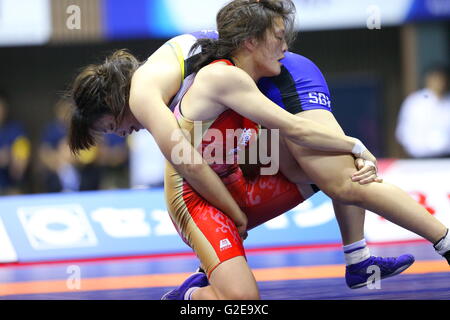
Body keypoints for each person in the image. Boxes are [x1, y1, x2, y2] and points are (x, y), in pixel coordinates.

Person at [66, 0, 449, 298]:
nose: (125, 134)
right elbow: (199, 162)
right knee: (327, 175)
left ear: (115, 103)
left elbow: (190, 166)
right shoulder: (182, 66)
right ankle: (351, 259)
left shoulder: (147, 95)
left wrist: (353, 147)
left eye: (113, 127)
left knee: (342, 179)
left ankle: (428, 244)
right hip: (235, 142)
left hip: (258, 105)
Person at [396, 64, 450, 158]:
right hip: (420, 158)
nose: (439, 82)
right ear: (428, 79)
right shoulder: (414, 102)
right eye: (435, 78)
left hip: (447, 157)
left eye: (442, 79)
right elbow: (403, 132)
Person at [0, 95, 31, 195]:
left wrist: (13, 160)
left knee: (15, 194)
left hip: (10, 187)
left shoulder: (16, 130)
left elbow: (19, 170)